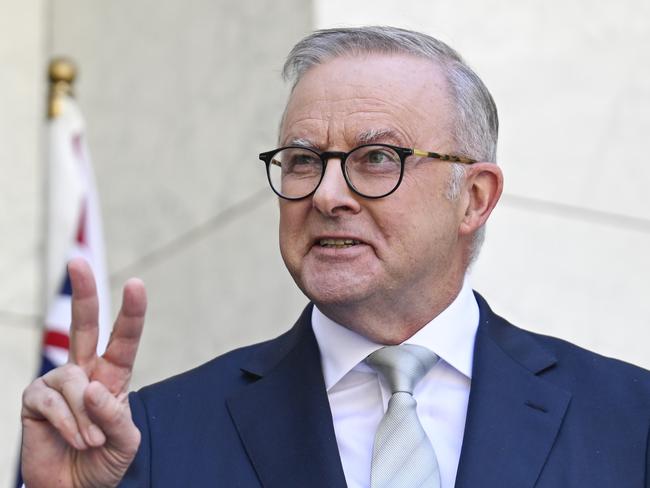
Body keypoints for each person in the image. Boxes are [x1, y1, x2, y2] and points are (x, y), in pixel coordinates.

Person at [20, 26, 650, 488]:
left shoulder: (628, 419)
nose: (325, 195)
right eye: (302, 160)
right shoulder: (152, 437)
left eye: (376, 159)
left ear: (474, 198)